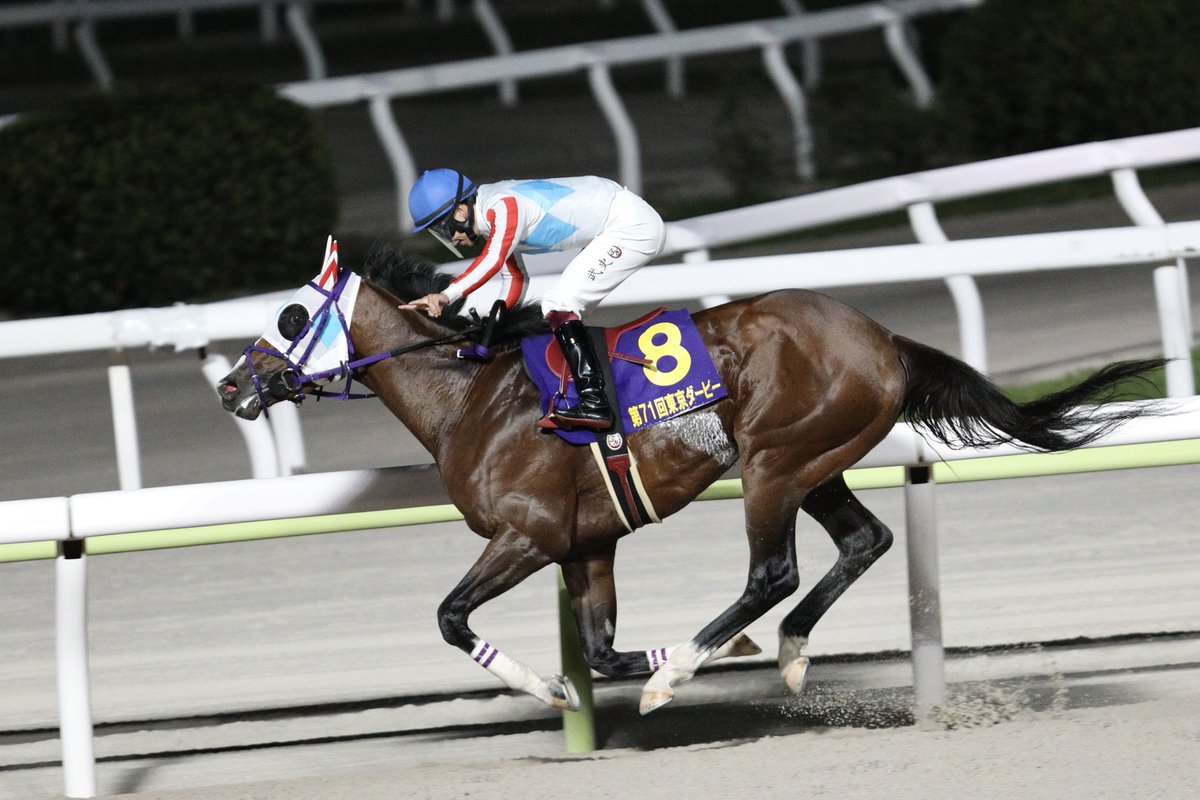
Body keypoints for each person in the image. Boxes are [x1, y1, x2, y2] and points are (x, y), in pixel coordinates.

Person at [402, 169, 666, 432]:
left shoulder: (503, 206)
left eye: (441, 228)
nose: (448, 238)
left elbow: (492, 261)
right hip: (617, 224)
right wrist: (488, 336)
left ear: (460, 212)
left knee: (559, 305)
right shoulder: (492, 214)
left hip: (631, 226)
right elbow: (514, 280)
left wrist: (446, 295)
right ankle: (592, 387)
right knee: (563, 311)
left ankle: (595, 402)